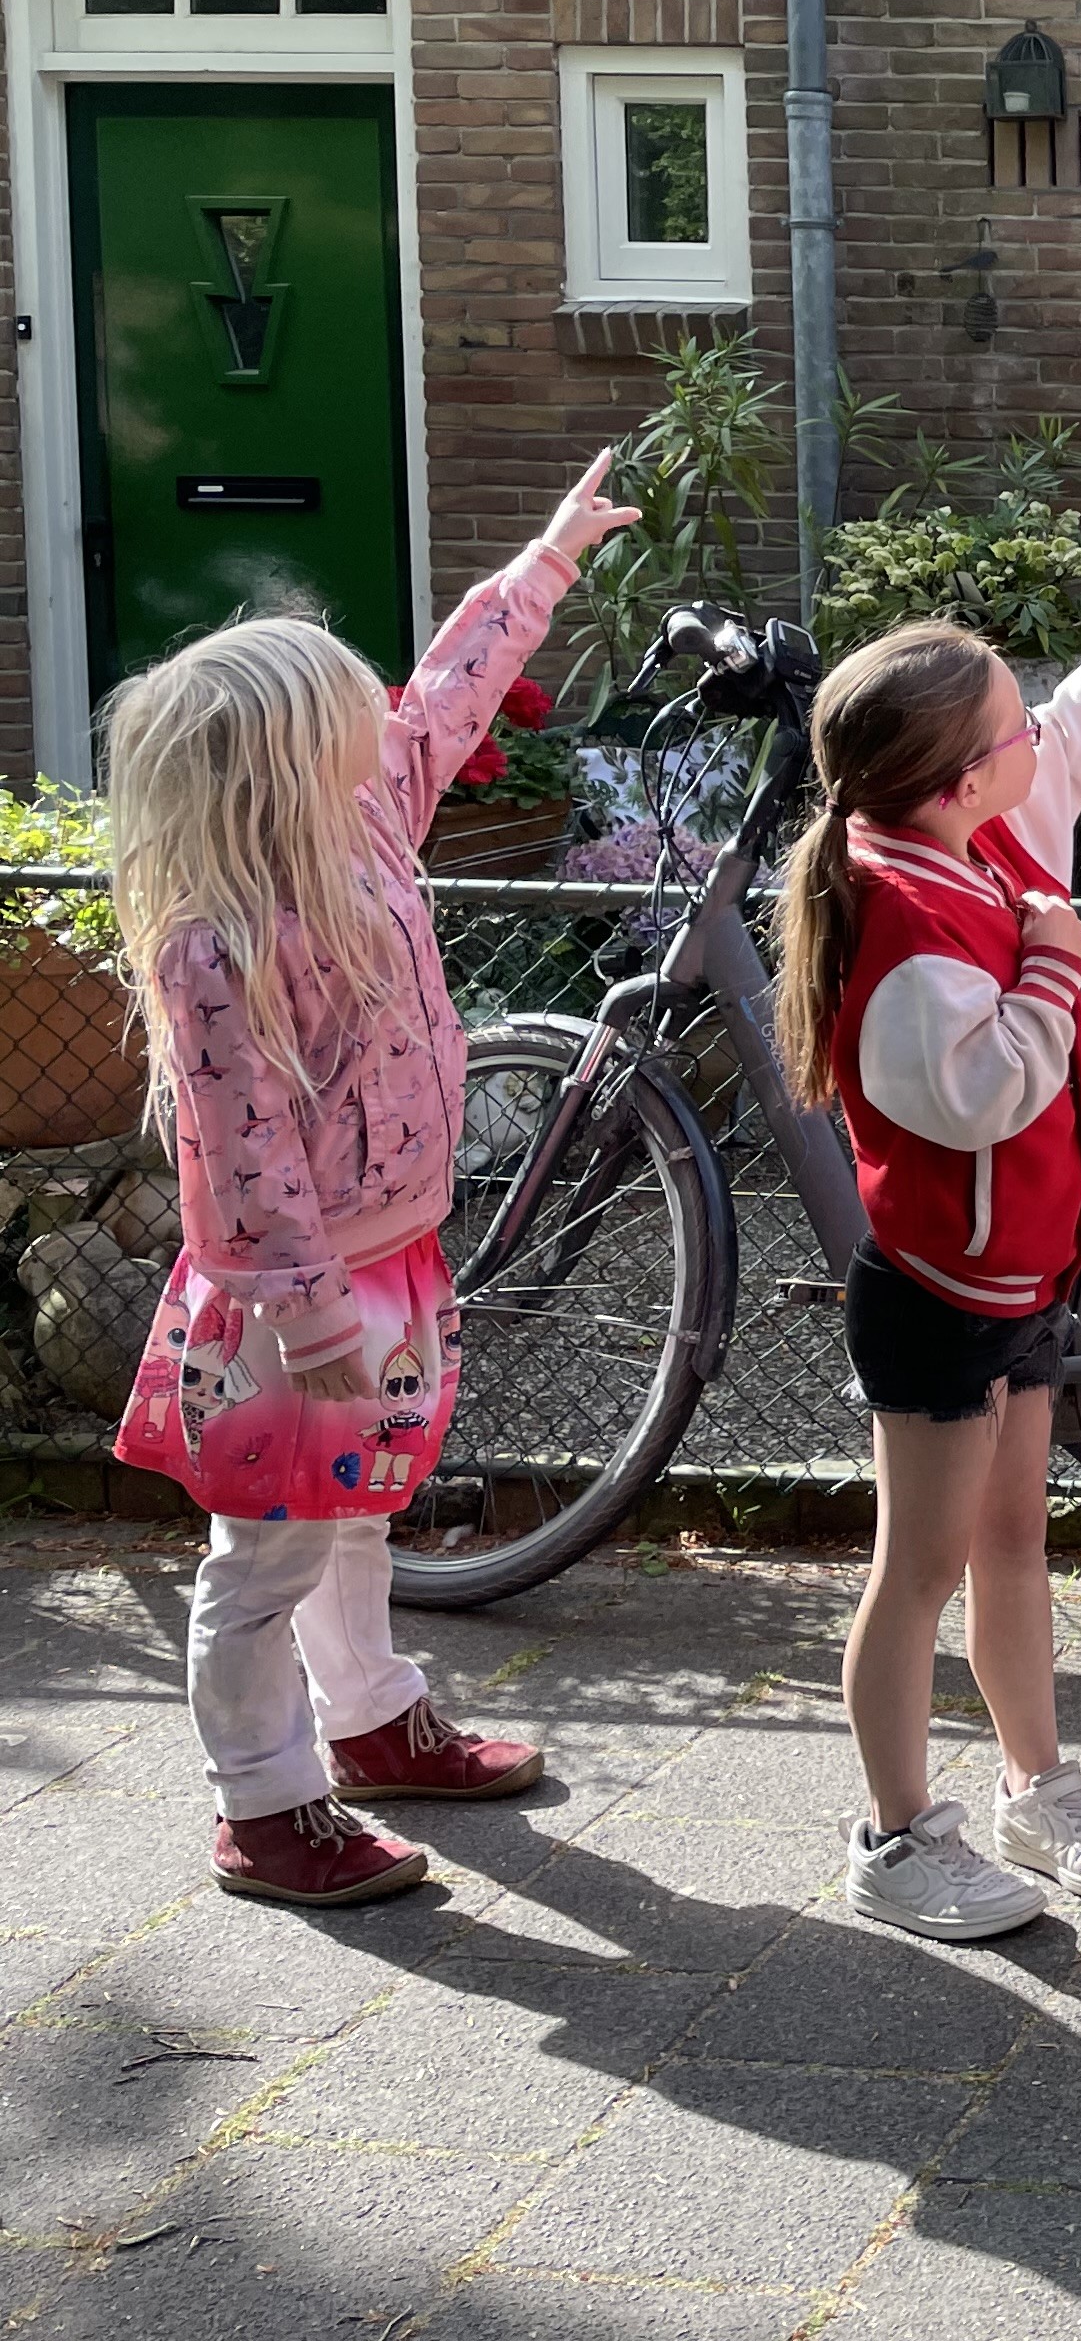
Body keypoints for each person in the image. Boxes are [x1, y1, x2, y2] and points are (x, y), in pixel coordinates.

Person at [107, 453, 641, 1906]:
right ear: (289, 754)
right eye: (354, 709)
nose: (385, 720)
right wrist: (307, 1314)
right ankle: (263, 1803)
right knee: (268, 1550)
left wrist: (547, 559)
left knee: (354, 1509)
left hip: (390, 1251)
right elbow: (240, 1153)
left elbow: (451, 695)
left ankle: (371, 1722)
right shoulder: (218, 939)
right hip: (297, 1293)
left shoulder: (367, 820)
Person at [771, 532, 1081, 1941]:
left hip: (1012, 1278)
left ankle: (1035, 1790)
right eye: (1010, 724)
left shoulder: (968, 834)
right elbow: (979, 1094)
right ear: (961, 779)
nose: (1038, 729)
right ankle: (894, 1836)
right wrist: (1052, 964)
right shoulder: (913, 913)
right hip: (936, 1294)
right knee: (918, 1570)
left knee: (1012, 1546)